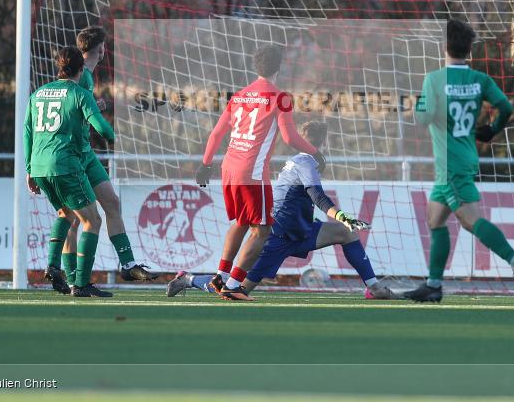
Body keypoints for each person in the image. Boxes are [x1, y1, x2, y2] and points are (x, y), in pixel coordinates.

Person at [169, 122, 395, 299]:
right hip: (276, 235)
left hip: (301, 231)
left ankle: (373, 287)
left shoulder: (300, 160)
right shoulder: (305, 162)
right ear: (322, 143)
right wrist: (342, 216)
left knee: (346, 233)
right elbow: (317, 196)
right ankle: (187, 279)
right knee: (235, 290)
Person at [404, 19, 514, 303]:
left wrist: (419, 100)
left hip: (450, 165)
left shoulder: (434, 79)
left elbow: (422, 119)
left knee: (471, 221)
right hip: (461, 159)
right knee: (435, 219)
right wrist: (492, 129)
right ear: (468, 49)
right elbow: (506, 107)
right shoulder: (479, 79)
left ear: (444, 46)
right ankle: (433, 284)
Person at [195, 45, 325, 301]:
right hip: (251, 172)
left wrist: (206, 163)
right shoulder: (280, 97)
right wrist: (315, 152)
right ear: (279, 67)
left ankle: (220, 275)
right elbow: (289, 137)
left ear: (257, 67)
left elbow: (217, 133)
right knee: (262, 230)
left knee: (242, 222)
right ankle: (233, 285)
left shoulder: (240, 96)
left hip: (228, 168)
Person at [43, 26, 154, 293]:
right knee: (71, 216)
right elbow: (73, 110)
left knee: (111, 203)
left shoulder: (86, 77)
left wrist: (95, 105)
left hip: (85, 154)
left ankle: (127, 265)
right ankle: (72, 278)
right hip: (72, 155)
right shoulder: (79, 78)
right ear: (101, 49)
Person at [25, 46, 116, 298]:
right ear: (80, 69)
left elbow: (27, 132)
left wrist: (29, 169)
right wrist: (114, 135)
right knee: (93, 220)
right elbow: (103, 130)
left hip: (40, 166)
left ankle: (54, 266)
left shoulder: (38, 93)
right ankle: (82, 283)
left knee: (66, 213)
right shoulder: (79, 93)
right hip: (65, 164)